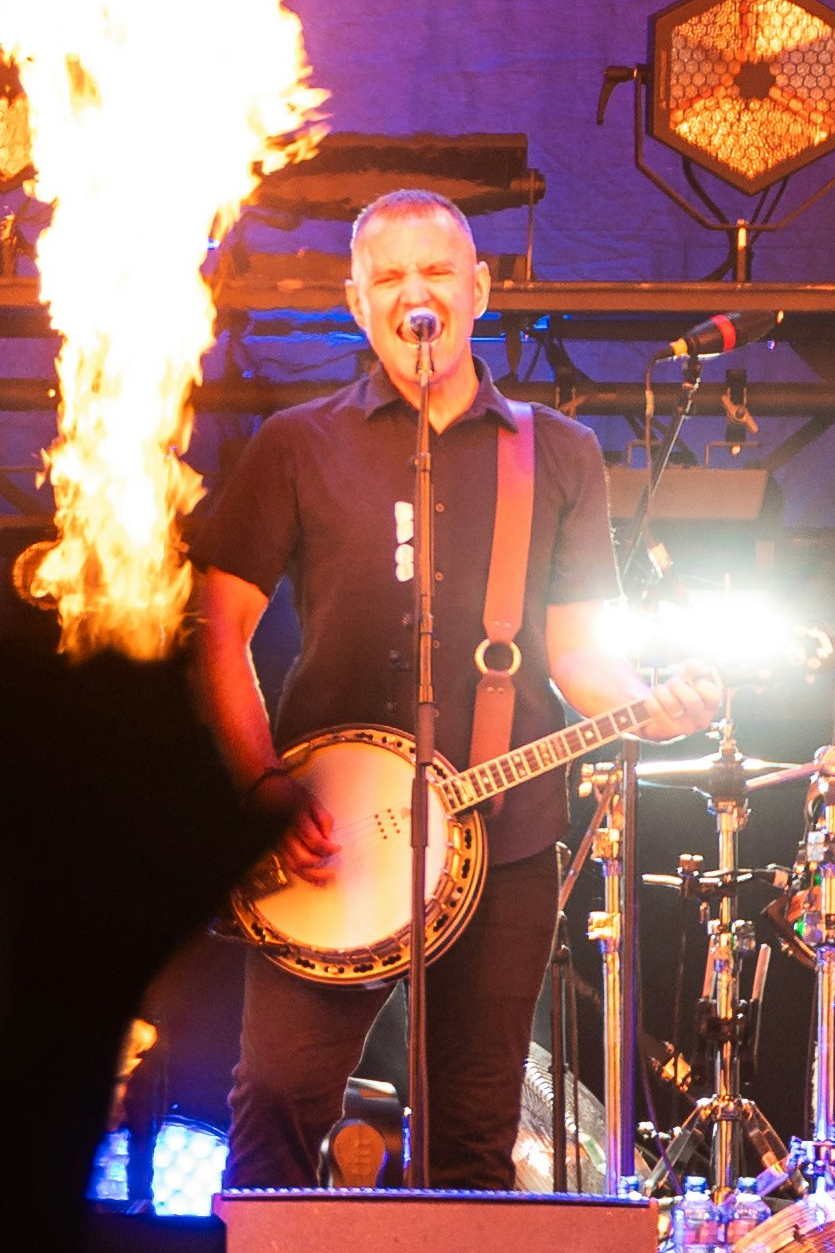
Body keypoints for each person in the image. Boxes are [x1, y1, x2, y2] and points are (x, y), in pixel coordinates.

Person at [184, 186, 684, 1190]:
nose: (418, 293)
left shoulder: (559, 451)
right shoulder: (297, 443)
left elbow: (579, 652)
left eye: (439, 271)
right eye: (391, 276)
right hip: (328, 837)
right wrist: (262, 790)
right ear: (358, 301)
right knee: (278, 1094)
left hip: (503, 831)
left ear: (481, 289)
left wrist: (652, 702)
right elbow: (214, 629)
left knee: (474, 1131)